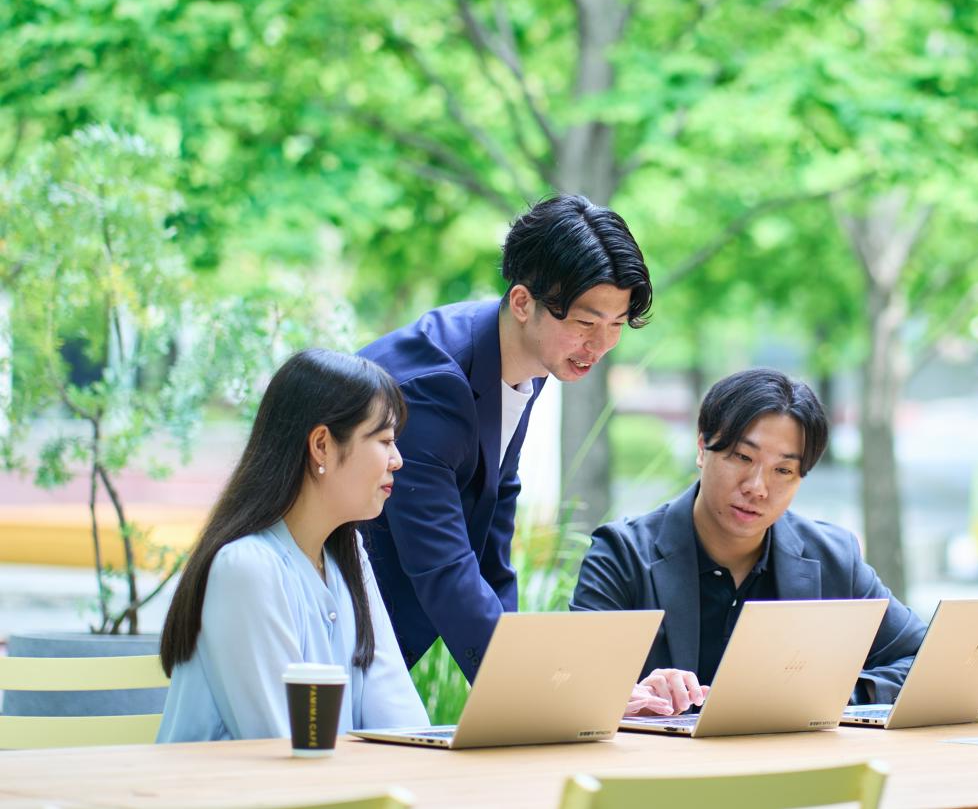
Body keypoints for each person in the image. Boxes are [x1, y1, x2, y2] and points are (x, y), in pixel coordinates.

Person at [359, 194, 652, 682]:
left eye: (616, 326)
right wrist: (534, 690)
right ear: (522, 302)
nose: (600, 346)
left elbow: (494, 515)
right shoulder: (431, 388)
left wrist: (525, 668)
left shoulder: (530, 360)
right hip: (320, 630)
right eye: (585, 323)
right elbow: (444, 566)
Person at [571, 368, 926, 716]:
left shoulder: (832, 557)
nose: (757, 487)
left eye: (783, 470)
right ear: (702, 448)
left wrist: (841, 693)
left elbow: (922, 657)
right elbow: (574, 683)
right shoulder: (622, 554)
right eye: (742, 457)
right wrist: (636, 694)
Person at [157, 349, 429, 742]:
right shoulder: (246, 568)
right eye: (384, 440)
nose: (397, 460)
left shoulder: (347, 557)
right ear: (321, 445)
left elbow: (403, 723)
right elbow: (288, 745)